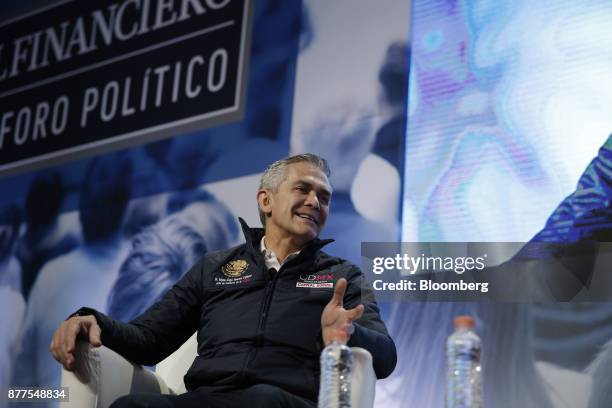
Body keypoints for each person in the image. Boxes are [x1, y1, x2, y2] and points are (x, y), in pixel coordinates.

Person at [50, 154, 396, 408]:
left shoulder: (340, 275)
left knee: (262, 400)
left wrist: (350, 333)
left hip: (282, 401)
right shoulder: (215, 266)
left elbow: (385, 357)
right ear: (266, 200)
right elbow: (149, 338)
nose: (315, 202)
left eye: (324, 197)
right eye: (303, 189)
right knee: (132, 406)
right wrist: (90, 319)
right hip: (208, 399)